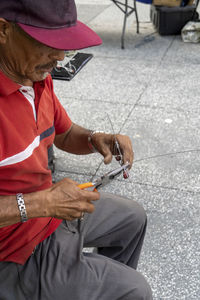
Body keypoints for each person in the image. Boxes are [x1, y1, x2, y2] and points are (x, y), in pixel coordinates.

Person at [0, 0, 152, 299]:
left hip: (46, 213)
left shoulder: (35, 77)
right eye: (47, 42)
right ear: (3, 30)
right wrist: (40, 204)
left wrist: (96, 138)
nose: (59, 57)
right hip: (12, 250)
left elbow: (64, 132)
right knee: (136, 291)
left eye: (63, 43)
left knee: (133, 218)